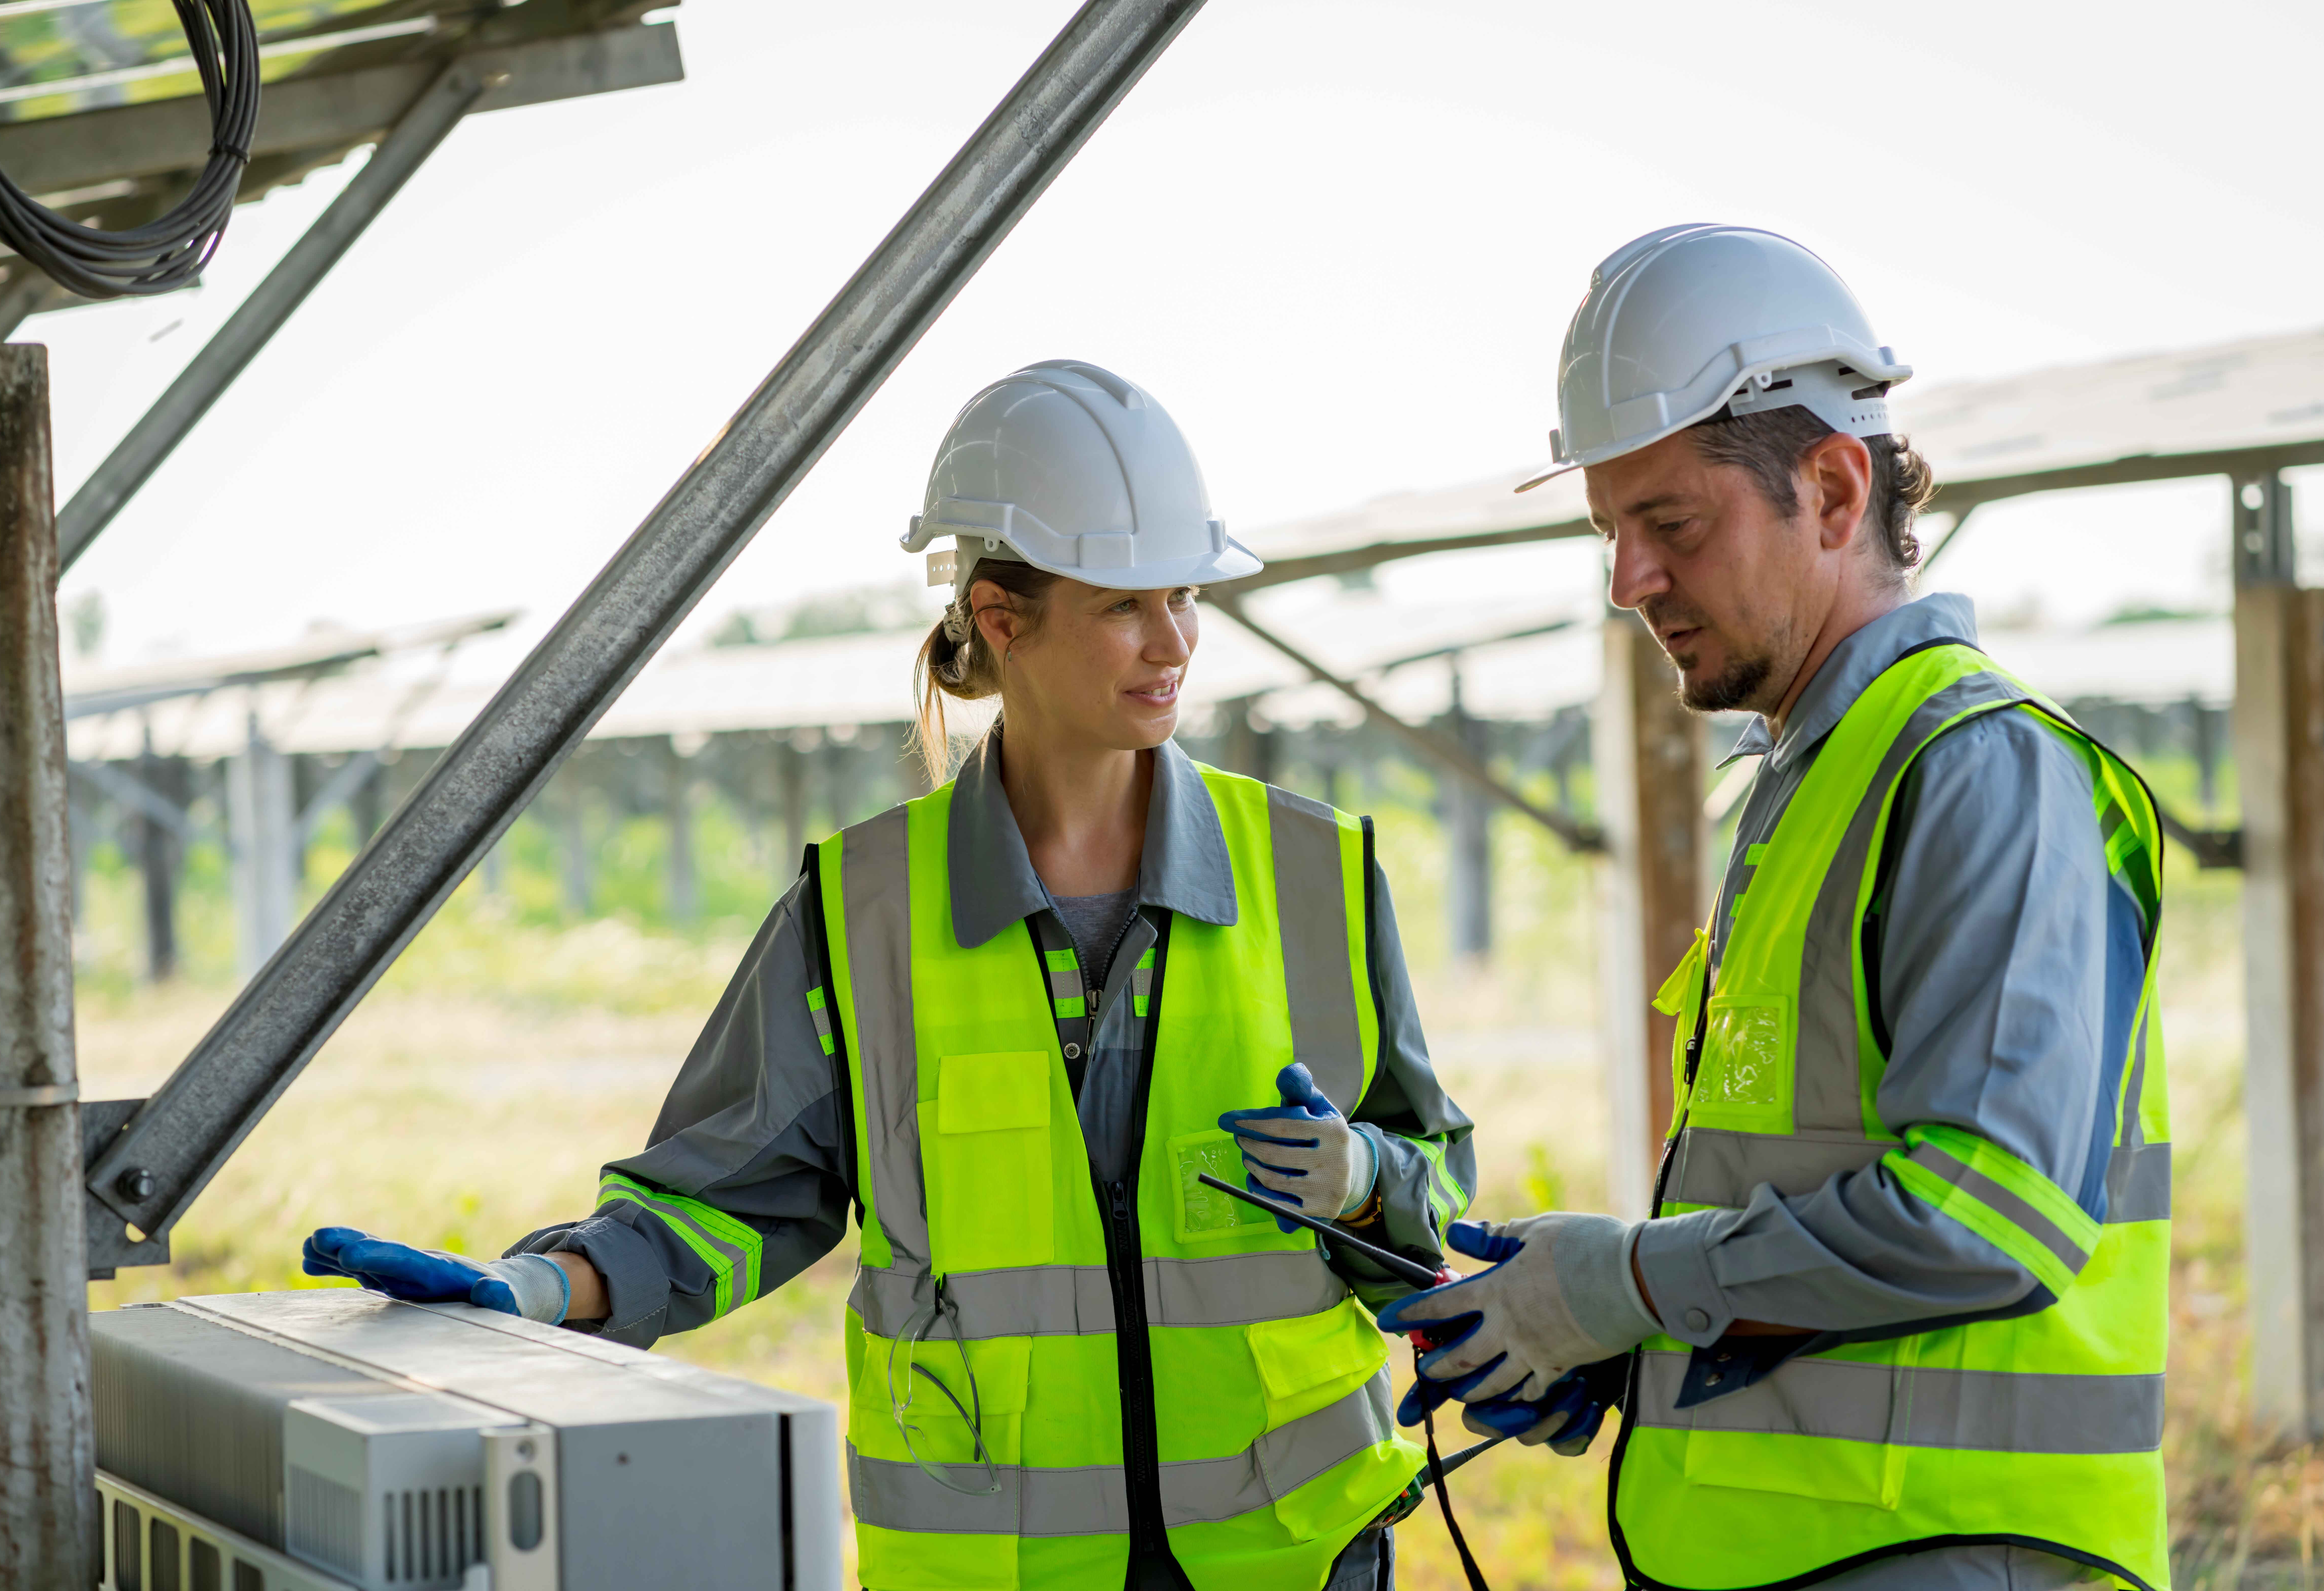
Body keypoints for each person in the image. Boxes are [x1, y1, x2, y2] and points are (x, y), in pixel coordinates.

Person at [302, 360, 1477, 1591]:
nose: (1175, 641)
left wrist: (1366, 1184)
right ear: (1002, 616)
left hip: (1296, 1557)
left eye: (1185, 595)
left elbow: (1437, 1187)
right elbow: (731, 1197)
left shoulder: (1315, 872)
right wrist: (540, 1285)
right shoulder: (861, 910)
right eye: (1126, 604)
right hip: (999, 1569)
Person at [1380, 226, 2170, 1591]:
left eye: (1672, 526)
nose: (1628, 582)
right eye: (1611, 534)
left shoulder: (1976, 769)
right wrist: (1631, 1345)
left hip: (1946, 1554)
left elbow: (1986, 1217)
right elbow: (1807, 1223)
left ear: (1833, 488)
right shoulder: (1819, 780)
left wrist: (1629, 1285)